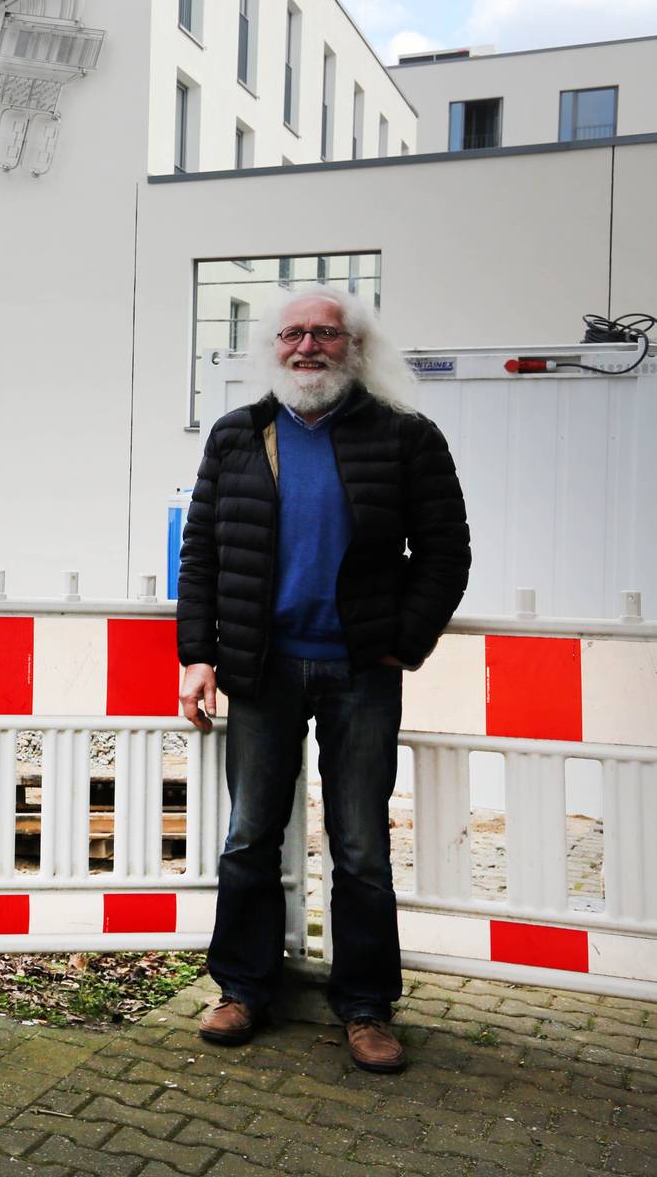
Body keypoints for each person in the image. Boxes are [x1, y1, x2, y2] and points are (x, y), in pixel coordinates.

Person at [176, 284, 469, 1074]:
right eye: (293, 334)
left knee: (362, 847)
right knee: (249, 837)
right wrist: (197, 655)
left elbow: (446, 553)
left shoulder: (406, 437)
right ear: (272, 348)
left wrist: (399, 645)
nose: (308, 347)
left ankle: (367, 1007)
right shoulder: (239, 435)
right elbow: (202, 551)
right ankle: (243, 989)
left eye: (326, 336)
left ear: (355, 348)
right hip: (261, 669)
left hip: (359, 672)